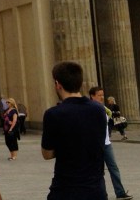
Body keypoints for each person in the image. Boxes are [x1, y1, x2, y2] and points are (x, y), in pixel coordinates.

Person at [41, 61, 107, 200]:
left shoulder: (53, 114)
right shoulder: (98, 110)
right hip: (96, 189)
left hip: (66, 189)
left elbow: (47, 154)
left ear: (58, 84)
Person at [89, 87, 132, 200]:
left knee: (114, 168)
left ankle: (120, 193)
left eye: (103, 95)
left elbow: (109, 117)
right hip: (95, 145)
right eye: (99, 95)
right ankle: (100, 195)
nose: (102, 97)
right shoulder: (89, 109)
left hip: (107, 144)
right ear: (92, 96)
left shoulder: (103, 108)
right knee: (98, 171)